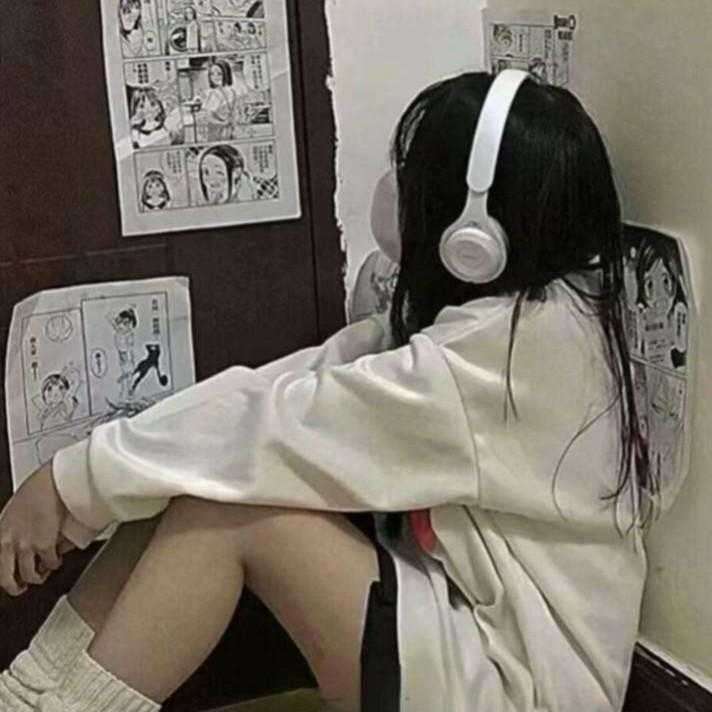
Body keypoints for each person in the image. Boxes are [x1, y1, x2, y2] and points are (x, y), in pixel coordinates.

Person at [0, 71, 670, 712]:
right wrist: (76, 484)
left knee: (222, 512)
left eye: (412, 179)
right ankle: (27, 698)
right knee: (190, 470)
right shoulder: (510, 321)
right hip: (470, 637)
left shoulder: (514, 355)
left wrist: (70, 481)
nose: (395, 193)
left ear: (475, 238)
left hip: (520, 691)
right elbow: (289, 388)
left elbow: (279, 426)